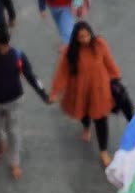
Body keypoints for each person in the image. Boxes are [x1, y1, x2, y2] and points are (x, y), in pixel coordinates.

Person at [0, 27, 48, 180]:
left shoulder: (18, 56)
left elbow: (31, 77)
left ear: (3, 43)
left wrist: (44, 95)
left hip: (14, 101)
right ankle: (0, 141)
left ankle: (14, 162)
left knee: (13, 133)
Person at [50, 22, 123, 168]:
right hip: (80, 90)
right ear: (75, 38)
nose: (85, 39)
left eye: (87, 35)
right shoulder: (70, 52)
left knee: (101, 119)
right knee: (84, 113)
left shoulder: (100, 45)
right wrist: (55, 91)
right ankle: (86, 127)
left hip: (99, 89)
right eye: (81, 37)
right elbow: (62, 73)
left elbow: (109, 62)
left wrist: (116, 77)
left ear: (91, 33)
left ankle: (103, 151)